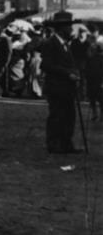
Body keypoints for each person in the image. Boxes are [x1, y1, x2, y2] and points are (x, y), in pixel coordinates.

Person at [41, 11, 81, 154]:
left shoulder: (65, 44)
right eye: (69, 26)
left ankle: (66, 144)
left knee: (69, 116)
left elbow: (69, 63)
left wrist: (75, 72)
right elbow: (46, 65)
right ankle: (54, 144)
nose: (71, 29)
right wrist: (67, 73)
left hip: (67, 87)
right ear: (61, 28)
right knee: (57, 116)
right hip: (56, 86)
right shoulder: (50, 43)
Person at [86, 24, 103, 121]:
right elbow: (88, 68)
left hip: (99, 79)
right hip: (91, 79)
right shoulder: (90, 58)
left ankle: (101, 114)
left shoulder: (101, 57)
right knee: (92, 97)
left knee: (101, 98)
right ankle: (94, 112)